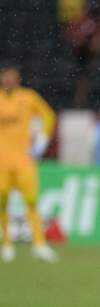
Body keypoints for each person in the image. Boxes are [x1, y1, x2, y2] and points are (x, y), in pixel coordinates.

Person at [0, 65, 58, 263]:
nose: (8, 80)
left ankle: (39, 245)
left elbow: (48, 115)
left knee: (31, 202)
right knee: (2, 203)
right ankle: (7, 245)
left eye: (11, 76)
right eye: (5, 76)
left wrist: (41, 140)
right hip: (2, 163)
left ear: (17, 78)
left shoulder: (28, 97)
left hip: (24, 161)